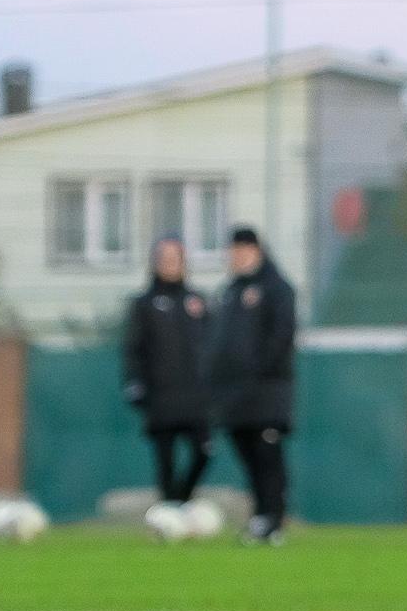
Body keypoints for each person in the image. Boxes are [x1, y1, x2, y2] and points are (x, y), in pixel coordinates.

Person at [209, 225, 297, 544]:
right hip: (235, 394)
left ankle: (274, 518)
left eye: (243, 251)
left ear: (257, 251)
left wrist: (259, 371)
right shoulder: (230, 291)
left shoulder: (277, 288)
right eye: (233, 251)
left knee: (267, 454)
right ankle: (260, 515)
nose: (237, 257)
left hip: (267, 391)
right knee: (247, 455)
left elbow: (282, 336)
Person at [122, 237, 214, 511]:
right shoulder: (144, 304)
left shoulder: (197, 302)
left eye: (175, 258)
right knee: (165, 458)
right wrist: (135, 383)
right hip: (161, 395)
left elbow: (213, 345)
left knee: (204, 451)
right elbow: (133, 348)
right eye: (164, 258)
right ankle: (169, 509)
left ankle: (182, 500)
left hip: (195, 397)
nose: (170, 264)